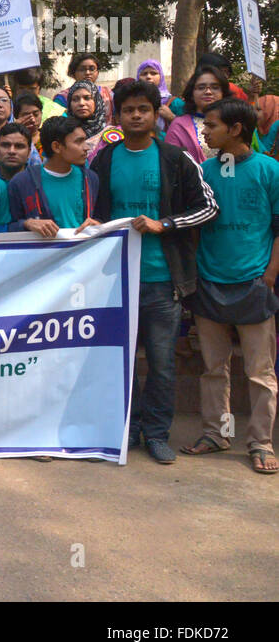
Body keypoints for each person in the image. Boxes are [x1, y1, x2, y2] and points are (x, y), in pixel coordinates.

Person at [91, 79, 219, 464]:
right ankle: (128, 430)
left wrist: (166, 224)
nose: (135, 115)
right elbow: (92, 212)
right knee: (121, 361)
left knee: (162, 363)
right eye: (128, 109)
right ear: (119, 116)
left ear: (154, 115)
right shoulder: (104, 159)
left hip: (163, 280)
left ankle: (157, 434)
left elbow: (209, 208)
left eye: (142, 109)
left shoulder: (176, 158)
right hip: (114, 280)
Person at [179, 98, 279, 474]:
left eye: (212, 125)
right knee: (213, 368)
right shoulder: (204, 170)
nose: (204, 131)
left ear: (236, 130)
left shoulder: (269, 170)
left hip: (254, 283)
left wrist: (269, 276)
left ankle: (261, 442)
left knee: (259, 373)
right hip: (210, 282)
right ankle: (218, 433)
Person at [7, 116, 99, 236]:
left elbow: (101, 218)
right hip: (44, 253)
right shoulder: (22, 182)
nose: (86, 147)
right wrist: (27, 223)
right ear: (56, 147)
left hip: (84, 252)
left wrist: (97, 225)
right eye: (78, 141)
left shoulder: (91, 179)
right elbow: (8, 227)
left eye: (85, 141)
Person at [165, 64, 228, 165]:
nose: (208, 92)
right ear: (192, 94)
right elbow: (170, 164)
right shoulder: (179, 125)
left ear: (223, 93)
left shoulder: (233, 122)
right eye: (201, 87)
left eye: (215, 87)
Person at [66, 80, 121, 160]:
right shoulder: (64, 134)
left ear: (97, 101)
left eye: (87, 98)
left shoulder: (112, 133)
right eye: (75, 99)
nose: (81, 103)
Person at [53, 52, 113, 116]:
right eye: (82, 69)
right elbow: (58, 122)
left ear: (97, 72)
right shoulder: (62, 98)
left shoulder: (108, 94)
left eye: (92, 69)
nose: (87, 73)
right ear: (73, 73)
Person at [135, 59, 177, 128]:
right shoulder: (132, 101)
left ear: (161, 77)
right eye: (144, 74)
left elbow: (189, 128)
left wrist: (172, 117)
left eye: (153, 73)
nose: (148, 77)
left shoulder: (174, 103)